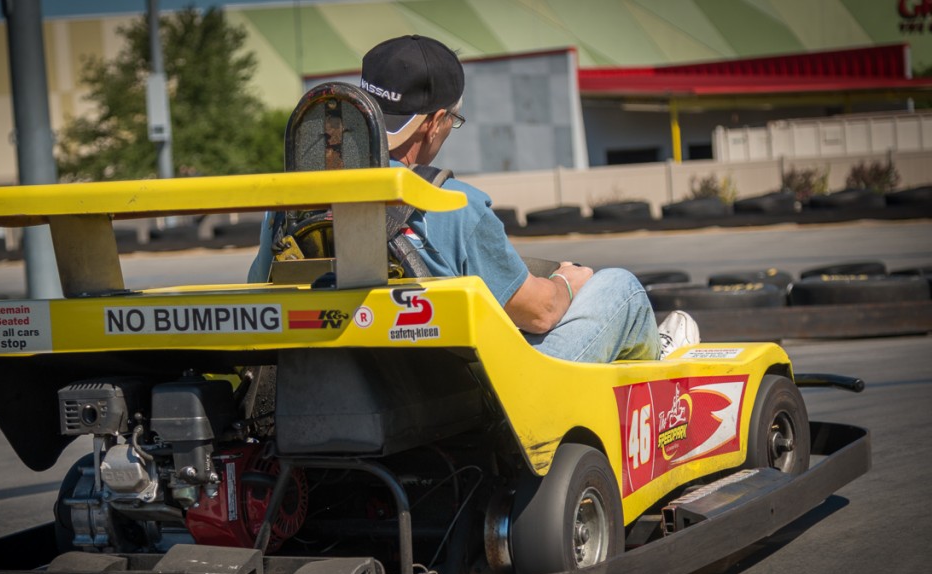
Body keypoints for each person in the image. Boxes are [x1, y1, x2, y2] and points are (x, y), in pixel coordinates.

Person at [249, 34, 698, 362]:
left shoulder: (293, 203)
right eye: (451, 121)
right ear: (434, 121)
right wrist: (566, 282)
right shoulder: (452, 204)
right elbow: (538, 314)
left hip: (336, 376)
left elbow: (260, 289)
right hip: (470, 408)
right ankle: (660, 357)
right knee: (617, 286)